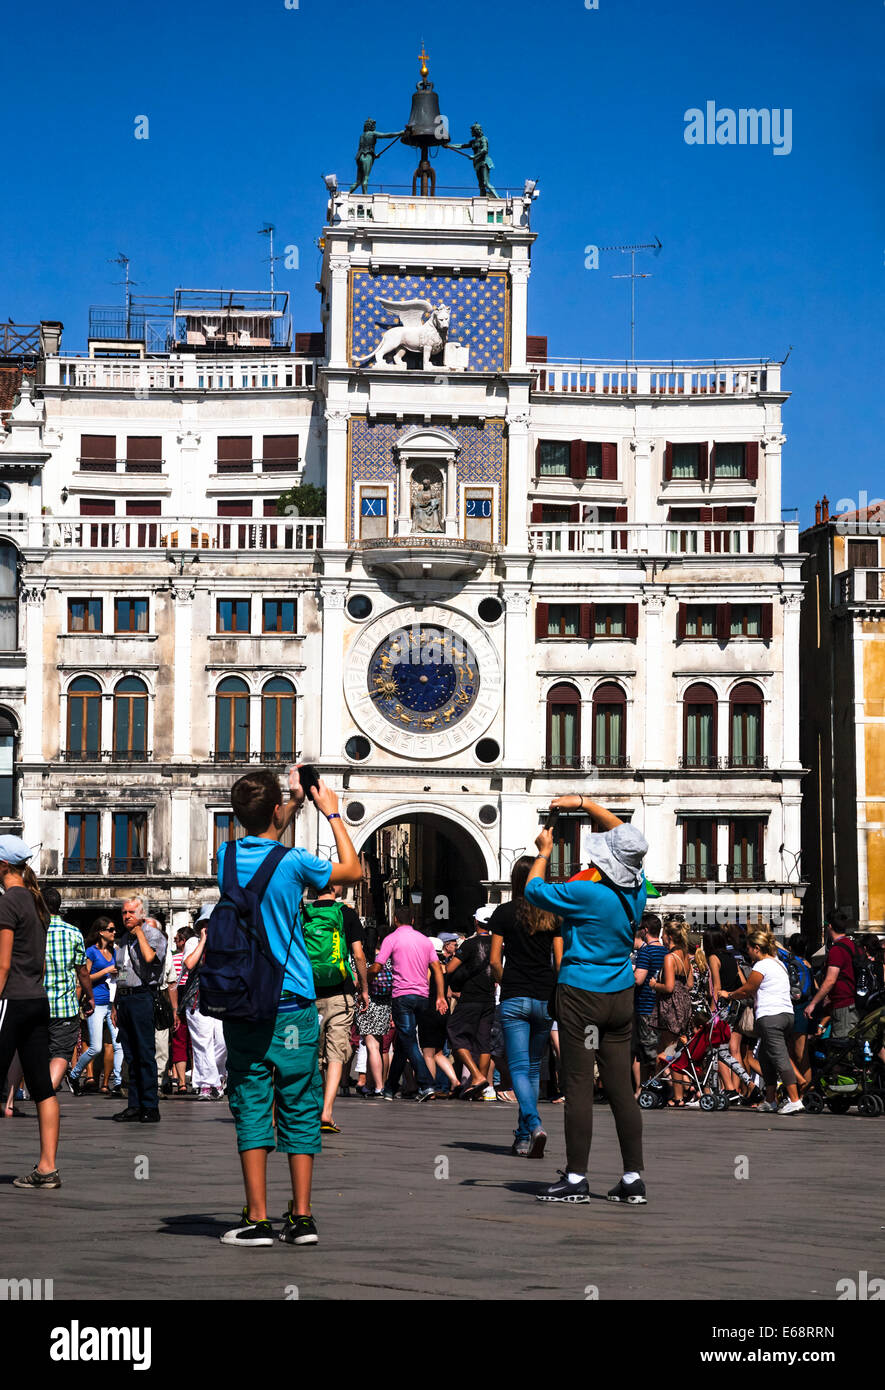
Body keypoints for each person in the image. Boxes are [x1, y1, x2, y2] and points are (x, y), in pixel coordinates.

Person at [216, 766, 362, 1247]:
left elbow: (265, 834)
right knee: (300, 1103)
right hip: (294, 1005)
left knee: (252, 1105)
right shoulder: (298, 863)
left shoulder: (226, 856)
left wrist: (289, 801)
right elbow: (353, 870)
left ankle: (256, 1219)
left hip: (244, 1006)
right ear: (278, 810)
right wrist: (332, 813)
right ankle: (301, 1217)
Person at [527, 796, 649, 1206]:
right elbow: (626, 838)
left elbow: (534, 890)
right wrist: (584, 803)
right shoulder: (638, 890)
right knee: (620, 1090)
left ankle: (576, 1178)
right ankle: (633, 1179)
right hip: (620, 995)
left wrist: (543, 852)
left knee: (578, 1085)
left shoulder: (587, 894)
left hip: (583, 994)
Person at [0, 837, 63, 1187]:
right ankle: (47, 1167)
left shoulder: (8, 902)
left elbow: (3, 965)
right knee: (42, 1086)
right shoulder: (38, 903)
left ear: (4, 867)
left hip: (11, 999)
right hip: (37, 1000)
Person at [490, 855, 559, 1157]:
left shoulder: (504, 913)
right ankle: (523, 1135)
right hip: (545, 998)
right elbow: (560, 961)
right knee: (532, 1069)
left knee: (517, 1068)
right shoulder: (553, 913)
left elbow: (494, 962)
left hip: (515, 995)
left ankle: (533, 1125)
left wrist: (508, 982)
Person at [720, 927, 804, 1114]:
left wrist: (729, 994)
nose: (748, 952)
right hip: (785, 1014)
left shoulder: (761, 966)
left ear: (757, 948)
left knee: (780, 1058)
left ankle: (795, 1099)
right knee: (765, 1058)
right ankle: (770, 1100)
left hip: (771, 1016)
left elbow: (747, 989)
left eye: (749, 948)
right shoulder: (778, 963)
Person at [306, 883, 369, 1134]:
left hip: (309, 993)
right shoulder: (346, 913)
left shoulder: (304, 914)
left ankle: (311, 1106)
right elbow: (359, 955)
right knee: (336, 1053)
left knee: (314, 1053)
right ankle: (327, 1112)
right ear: (335, 887)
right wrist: (364, 989)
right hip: (340, 993)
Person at [370, 903, 448, 1103]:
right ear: (413, 920)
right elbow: (437, 969)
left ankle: (426, 1083)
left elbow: (378, 966)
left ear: (395, 920)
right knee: (405, 1042)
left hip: (402, 996)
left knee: (409, 1040)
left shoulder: (391, 939)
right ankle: (389, 1087)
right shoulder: (424, 941)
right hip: (422, 997)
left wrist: (365, 978)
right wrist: (440, 996)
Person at [110, 896, 167, 1124]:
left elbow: (150, 959)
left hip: (144, 996)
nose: (127, 917)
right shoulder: (123, 939)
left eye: (131, 912)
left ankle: (150, 1105)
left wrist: (141, 934)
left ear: (141, 914)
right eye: (124, 913)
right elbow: (122, 972)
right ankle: (134, 1104)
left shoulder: (154, 935)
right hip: (125, 998)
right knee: (130, 1055)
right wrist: (116, 1003)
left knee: (145, 1053)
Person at [42, 887, 94, 1092]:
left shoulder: (32, 930)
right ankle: (45, 1094)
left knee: (29, 1051)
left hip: (34, 1002)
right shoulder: (73, 933)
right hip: (64, 1006)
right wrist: (90, 996)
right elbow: (82, 972)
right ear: (59, 906)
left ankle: (9, 1100)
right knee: (61, 1052)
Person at [446, 905, 497, 1101]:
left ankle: (476, 1076)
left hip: (470, 997)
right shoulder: (497, 944)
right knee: (484, 1042)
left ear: (476, 922)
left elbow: (450, 968)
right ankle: (481, 1085)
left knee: (455, 1032)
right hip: (489, 998)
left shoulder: (469, 944)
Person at [69, 917, 123, 1096]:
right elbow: (85, 977)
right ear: (101, 932)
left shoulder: (114, 952)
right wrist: (106, 971)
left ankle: (118, 1082)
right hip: (96, 1003)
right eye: (111, 929)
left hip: (110, 1003)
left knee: (118, 1044)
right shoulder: (91, 952)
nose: (114, 932)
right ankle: (75, 1074)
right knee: (96, 1047)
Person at [182, 905, 228, 1101]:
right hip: (197, 999)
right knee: (202, 1043)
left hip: (221, 997)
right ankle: (208, 1085)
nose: (209, 926)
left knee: (223, 1042)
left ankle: (217, 1077)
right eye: (206, 923)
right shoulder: (193, 942)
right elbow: (190, 964)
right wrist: (203, 940)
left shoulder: (225, 941)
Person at [646, 919, 693, 1106]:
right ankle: (678, 1090)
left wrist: (653, 984)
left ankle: (677, 1095)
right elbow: (689, 984)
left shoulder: (669, 957)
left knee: (669, 1050)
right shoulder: (685, 956)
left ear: (670, 936)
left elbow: (669, 986)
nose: (662, 938)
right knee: (673, 1049)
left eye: (663, 935)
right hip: (683, 1003)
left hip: (670, 1005)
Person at [804, 908, 861, 1038]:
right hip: (854, 1003)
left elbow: (830, 980)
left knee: (842, 1047)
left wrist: (812, 1004)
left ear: (829, 926)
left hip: (844, 1006)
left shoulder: (837, 950)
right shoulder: (854, 946)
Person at [418, 937, 459, 1096]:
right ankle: (455, 1080)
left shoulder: (429, 968)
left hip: (430, 1010)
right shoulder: (445, 968)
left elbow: (425, 988)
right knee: (438, 1053)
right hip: (444, 1012)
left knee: (428, 1053)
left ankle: (431, 1088)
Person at [632, 914, 667, 1084]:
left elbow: (638, 979)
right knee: (659, 1048)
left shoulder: (646, 952)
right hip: (662, 1007)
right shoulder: (666, 951)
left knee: (645, 1053)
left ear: (645, 931)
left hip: (645, 1006)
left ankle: (645, 1088)